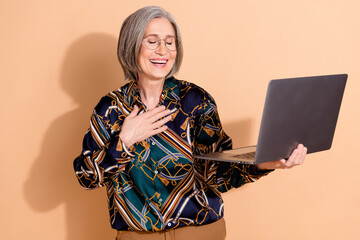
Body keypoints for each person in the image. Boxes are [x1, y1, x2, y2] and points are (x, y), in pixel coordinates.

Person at [73, 6, 307, 240]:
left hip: (201, 232)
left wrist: (262, 164)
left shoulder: (196, 101)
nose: (162, 50)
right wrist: (124, 141)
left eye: (170, 42)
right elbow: (87, 177)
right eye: (152, 41)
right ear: (131, 45)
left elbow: (217, 173)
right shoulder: (111, 109)